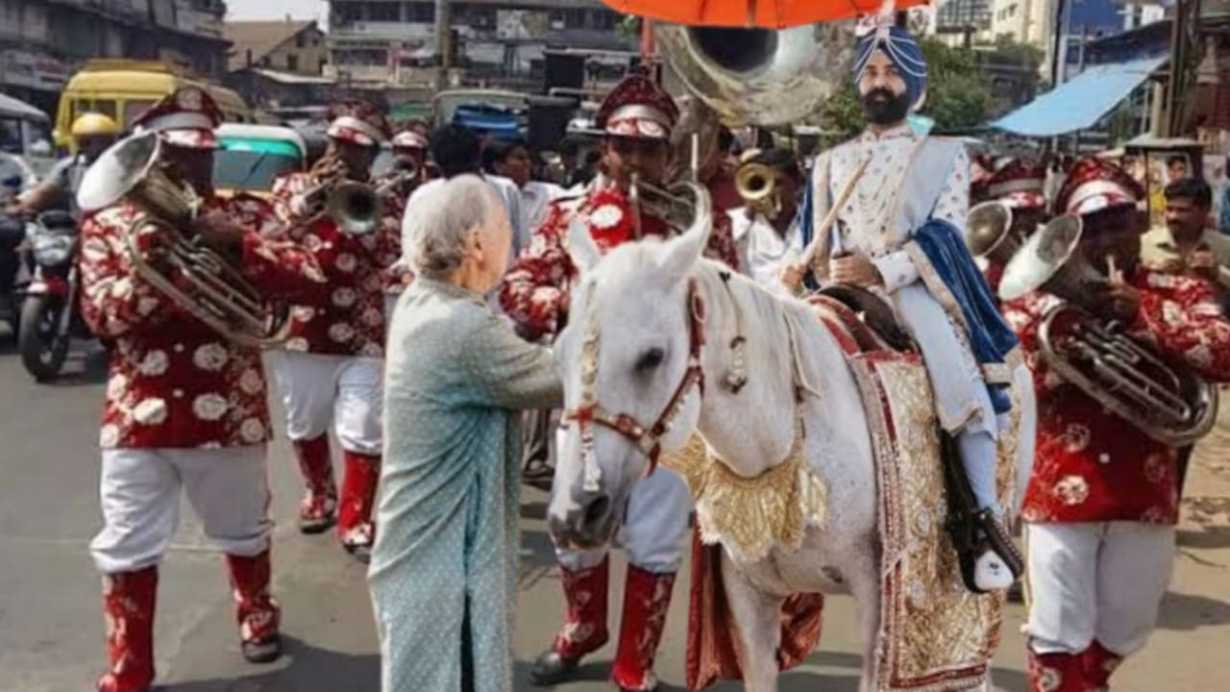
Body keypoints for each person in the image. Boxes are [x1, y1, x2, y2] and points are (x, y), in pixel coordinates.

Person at [79, 87, 328, 692]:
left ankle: (257, 614)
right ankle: (129, 666)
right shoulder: (111, 225)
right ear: (150, 156)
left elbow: (311, 279)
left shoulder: (244, 214)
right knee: (126, 542)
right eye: (176, 159)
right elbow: (101, 316)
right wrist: (163, 269)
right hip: (139, 410)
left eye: (202, 156)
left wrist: (236, 245)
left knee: (244, 527)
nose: (193, 169)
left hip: (229, 407)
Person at [501, 70, 738, 692]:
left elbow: (734, 306)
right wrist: (570, 305)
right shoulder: (568, 213)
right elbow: (516, 289)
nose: (633, 159)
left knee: (656, 539)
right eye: (621, 146)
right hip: (588, 408)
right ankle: (582, 628)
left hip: (667, 414)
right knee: (576, 522)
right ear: (603, 148)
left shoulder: (698, 227)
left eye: (647, 148)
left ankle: (636, 663)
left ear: (667, 153)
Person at [791, 21, 1021, 592]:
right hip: (837, 288)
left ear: (913, 83)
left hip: (912, 290)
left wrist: (884, 270)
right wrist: (801, 267)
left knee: (960, 387)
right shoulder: (830, 162)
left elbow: (948, 231)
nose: (879, 81)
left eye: (892, 71)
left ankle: (984, 522)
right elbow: (814, 237)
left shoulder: (945, 154)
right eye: (870, 71)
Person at [1000, 158, 1230, 692]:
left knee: (1127, 628)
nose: (1106, 239)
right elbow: (1012, 379)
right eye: (1092, 228)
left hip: (1143, 489)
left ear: (1138, 226)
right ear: (1073, 237)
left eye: (1116, 223)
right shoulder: (1037, 303)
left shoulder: (1181, 290)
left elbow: (1222, 352)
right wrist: (1068, 344)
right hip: (1059, 490)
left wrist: (1144, 314)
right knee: (1055, 629)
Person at [370, 175, 562, 692]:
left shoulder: (425, 302)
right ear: (477, 244)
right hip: (438, 562)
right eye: (503, 227)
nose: (511, 240)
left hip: (425, 550)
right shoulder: (462, 330)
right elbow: (570, 377)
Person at [266, 99, 404, 561]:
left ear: (372, 155)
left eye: (357, 149)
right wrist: (310, 202)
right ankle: (319, 493)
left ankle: (357, 520)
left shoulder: (388, 197)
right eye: (339, 144)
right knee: (304, 420)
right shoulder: (291, 186)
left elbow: (390, 256)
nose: (345, 155)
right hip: (303, 327)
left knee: (364, 427)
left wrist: (364, 210)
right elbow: (268, 237)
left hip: (361, 330)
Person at [404, 125, 525, 269]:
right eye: (453, 173)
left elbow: (522, 246)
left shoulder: (506, 190)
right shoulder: (422, 197)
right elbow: (412, 253)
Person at [9, 112, 120, 218]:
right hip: (83, 227)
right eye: (83, 141)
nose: (84, 146)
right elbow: (43, 193)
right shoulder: (69, 167)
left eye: (106, 140)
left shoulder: (124, 164)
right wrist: (19, 208)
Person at [728, 147, 805, 292]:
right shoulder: (734, 221)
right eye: (761, 184)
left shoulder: (812, 223)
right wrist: (748, 214)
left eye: (777, 183)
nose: (769, 191)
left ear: (797, 182)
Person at [971, 158, 1050, 296]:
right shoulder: (979, 258)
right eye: (1016, 212)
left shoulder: (1049, 241)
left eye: (1033, 210)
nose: (1025, 219)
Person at [1142, 176, 1230, 290]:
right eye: (1169, 209)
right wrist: (1154, 276)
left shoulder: (1225, 246)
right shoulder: (1145, 244)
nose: (1173, 216)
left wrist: (1218, 273)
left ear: (1205, 210)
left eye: (1182, 210)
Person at [487, 137, 563, 233]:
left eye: (528, 158)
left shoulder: (549, 192)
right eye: (520, 158)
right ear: (498, 166)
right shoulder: (486, 197)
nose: (527, 163)